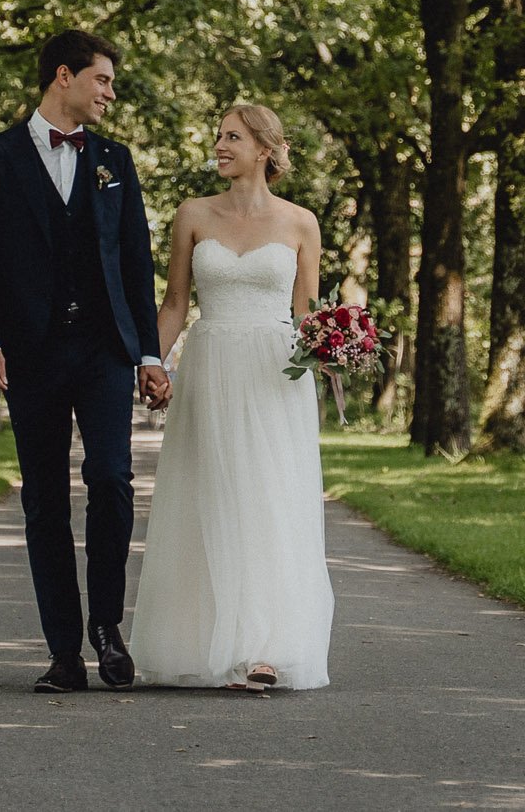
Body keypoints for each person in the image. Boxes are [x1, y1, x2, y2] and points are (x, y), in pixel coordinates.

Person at [0, 29, 169, 693]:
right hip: (30, 352)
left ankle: (107, 629)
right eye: (101, 79)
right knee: (45, 499)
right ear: (62, 77)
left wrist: (149, 352)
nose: (110, 92)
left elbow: (135, 260)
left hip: (105, 347)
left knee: (111, 479)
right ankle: (62, 653)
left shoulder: (115, 161)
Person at [131, 103, 334, 691]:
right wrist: (152, 363)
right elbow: (174, 304)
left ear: (264, 150)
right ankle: (210, 638)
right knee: (213, 495)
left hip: (276, 376)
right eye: (219, 136)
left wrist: (334, 346)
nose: (218, 145)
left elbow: (306, 311)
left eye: (231, 137)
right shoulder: (192, 215)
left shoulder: (301, 223)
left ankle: (265, 648)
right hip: (211, 364)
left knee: (269, 499)